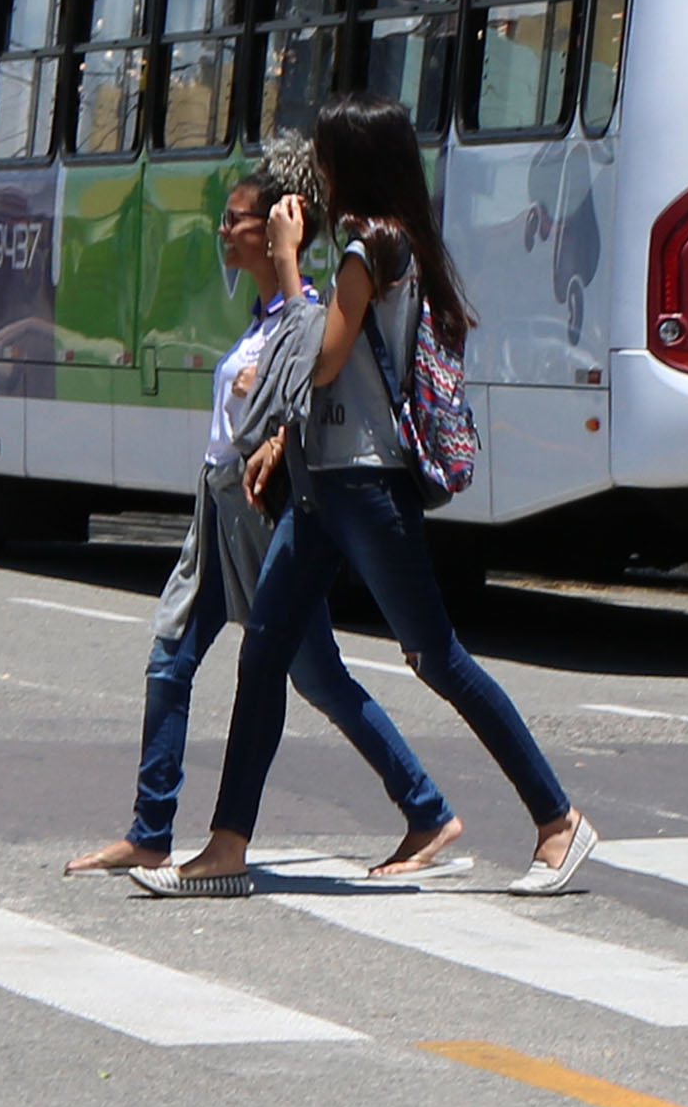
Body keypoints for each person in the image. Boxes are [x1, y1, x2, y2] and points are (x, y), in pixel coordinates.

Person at [137, 92, 596, 899]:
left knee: (436, 657)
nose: (314, 173)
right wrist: (282, 440)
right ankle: (226, 848)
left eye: (325, 156)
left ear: (353, 164)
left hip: (366, 487)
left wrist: (288, 265)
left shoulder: (372, 249)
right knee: (263, 653)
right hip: (322, 487)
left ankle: (558, 821)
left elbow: (320, 360)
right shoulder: (374, 244)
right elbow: (329, 377)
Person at [66, 140, 454, 877]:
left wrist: (275, 423)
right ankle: (151, 829)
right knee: (170, 658)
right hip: (217, 512)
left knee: (316, 676)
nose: (225, 230)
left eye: (238, 219)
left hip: (266, 520)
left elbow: (311, 382)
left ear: (280, 224)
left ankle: (426, 809)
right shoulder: (261, 316)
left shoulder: (305, 309)